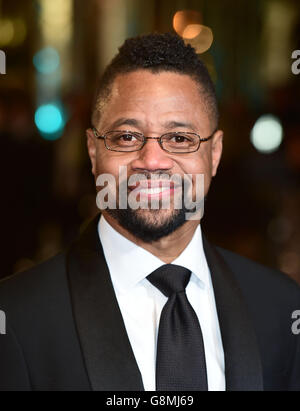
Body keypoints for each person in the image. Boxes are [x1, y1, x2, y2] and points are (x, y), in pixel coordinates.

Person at [0, 33, 299, 392]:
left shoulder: (281, 307)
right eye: (127, 137)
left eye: (180, 138)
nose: (153, 161)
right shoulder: (16, 318)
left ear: (215, 153)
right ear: (94, 152)